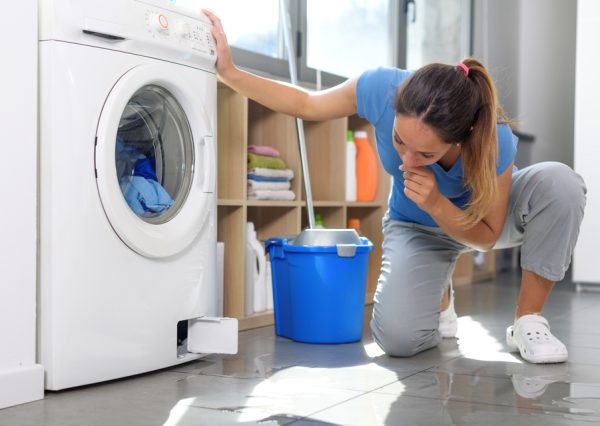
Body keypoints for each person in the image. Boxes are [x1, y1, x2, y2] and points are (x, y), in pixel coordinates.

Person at [203, 10, 586, 364]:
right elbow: (306, 103)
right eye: (400, 141)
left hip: (480, 221)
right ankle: (440, 293)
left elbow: (486, 238)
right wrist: (231, 74)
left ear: (460, 137)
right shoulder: (379, 87)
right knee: (398, 341)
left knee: (560, 183)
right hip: (417, 228)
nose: (406, 162)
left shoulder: (491, 138)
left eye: (425, 154)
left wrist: (437, 201)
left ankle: (527, 322)